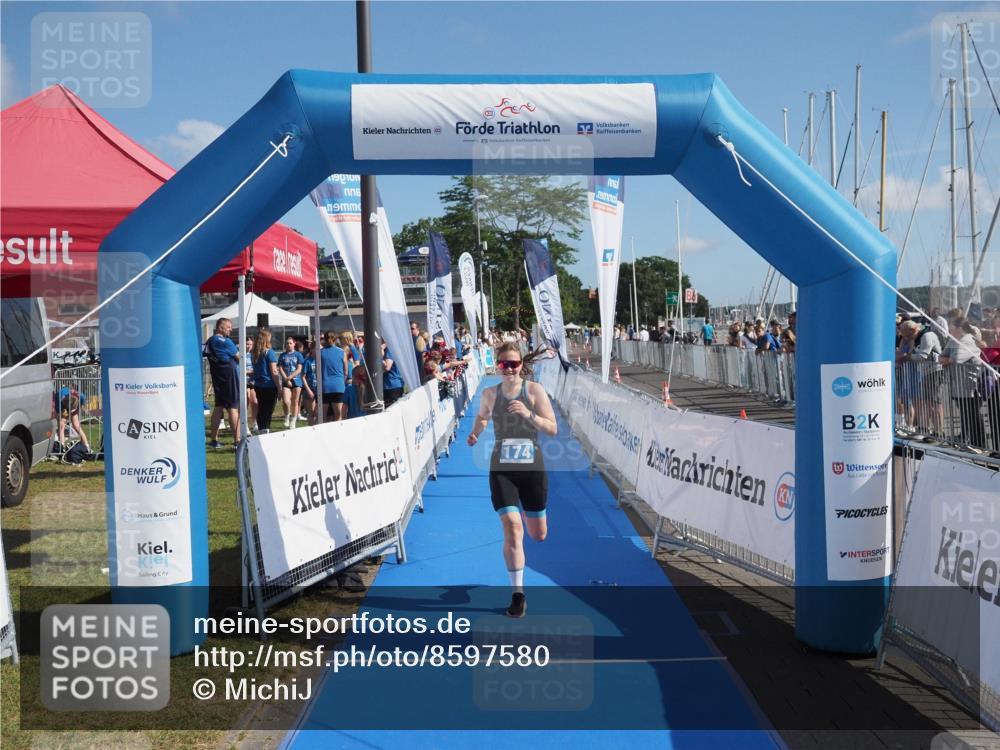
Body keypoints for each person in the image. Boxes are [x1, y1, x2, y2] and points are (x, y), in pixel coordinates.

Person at [467, 343, 558, 619]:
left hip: (532, 469)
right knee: (512, 527)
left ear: (521, 365)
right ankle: (518, 594)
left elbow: (553, 428)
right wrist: (475, 433)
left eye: (514, 364)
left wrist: (529, 415)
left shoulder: (533, 391)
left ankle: (519, 579)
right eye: (504, 364)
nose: (509, 369)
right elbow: (482, 419)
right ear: (497, 365)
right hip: (502, 469)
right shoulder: (489, 394)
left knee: (538, 535)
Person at [940, 316, 985, 450]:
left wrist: (947, 360)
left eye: (951, 326)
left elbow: (957, 359)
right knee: (965, 414)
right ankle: (967, 440)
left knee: (973, 413)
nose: (949, 329)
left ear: (959, 328)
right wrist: (948, 359)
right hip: (959, 385)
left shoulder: (968, 340)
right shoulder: (954, 340)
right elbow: (941, 357)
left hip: (972, 385)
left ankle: (979, 444)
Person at [204, 318, 241, 448]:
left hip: (217, 377)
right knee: (233, 408)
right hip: (229, 377)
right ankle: (237, 441)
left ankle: (214, 440)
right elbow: (239, 357)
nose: (231, 329)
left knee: (218, 407)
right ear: (220, 327)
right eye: (229, 327)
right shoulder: (226, 342)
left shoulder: (210, 341)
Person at [251, 329, 281, 433]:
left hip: (258, 385)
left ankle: (261, 428)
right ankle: (265, 429)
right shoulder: (269, 353)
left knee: (261, 408)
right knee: (268, 410)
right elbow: (273, 371)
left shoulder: (255, 353)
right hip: (269, 385)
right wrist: (279, 387)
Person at [278, 337, 305, 429]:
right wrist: (286, 378)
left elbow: (299, 369)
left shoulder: (298, 355)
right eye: (287, 343)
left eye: (290, 343)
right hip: (286, 381)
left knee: (295, 401)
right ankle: (286, 416)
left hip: (296, 381)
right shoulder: (282, 355)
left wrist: (290, 377)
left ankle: (293, 419)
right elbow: (280, 368)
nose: (288, 345)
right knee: (286, 401)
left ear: (294, 344)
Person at [321, 331, 349, 421]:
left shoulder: (319, 353)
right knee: (338, 415)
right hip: (338, 386)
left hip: (324, 386)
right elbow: (346, 371)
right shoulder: (342, 352)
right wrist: (342, 380)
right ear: (335, 339)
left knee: (323, 416)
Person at [382, 342, 405, 407]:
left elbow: (387, 367)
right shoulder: (398, 348)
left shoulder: (391, 349)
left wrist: (380, 356)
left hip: (391, 385)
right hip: (396, 384)